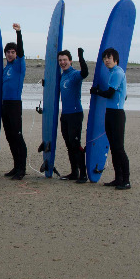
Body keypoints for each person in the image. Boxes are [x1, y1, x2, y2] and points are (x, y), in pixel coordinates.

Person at [90, 48, 130, 190]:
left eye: (109, 57)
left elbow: (110, 93)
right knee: (113, 147)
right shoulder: (113, 73)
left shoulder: (117, 73)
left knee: (119, 148)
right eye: (105, 58)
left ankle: (126, 180)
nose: (107, 60)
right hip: (110, 113)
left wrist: (96, 91)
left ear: (116, 59)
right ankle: (118, 178)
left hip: (117, 115)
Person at [1, 23, 28, 180]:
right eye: (8, 52)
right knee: (10, 137)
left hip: (15, 105)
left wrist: (19, 33)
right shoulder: (6, 68)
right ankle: (16, 166)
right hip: (5, 105)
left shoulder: (19, 65)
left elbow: (22, 50)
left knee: (17, 136)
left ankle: (22, 170)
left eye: (13, 52)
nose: (10, 54)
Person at [58, 48, 89, 183]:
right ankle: (74, 172)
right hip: (65, 115)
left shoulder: (75, 74)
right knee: (69, 144)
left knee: (76, 144)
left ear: (70, 61)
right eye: (60, 60)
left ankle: (83, 174)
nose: (62, 62)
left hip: (75, 114)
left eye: (65, 60)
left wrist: (81, 57)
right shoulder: (62, 75)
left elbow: (85, 73)